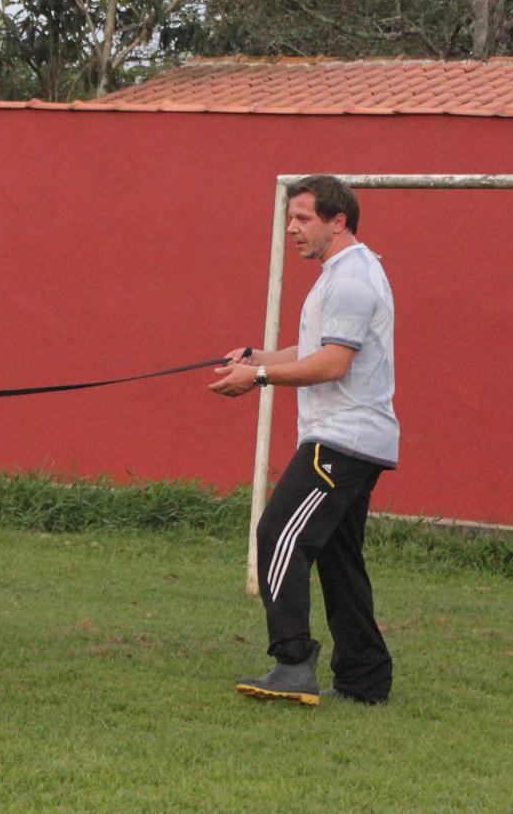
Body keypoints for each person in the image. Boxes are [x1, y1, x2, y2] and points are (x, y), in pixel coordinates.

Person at [208, 174, 398, 706]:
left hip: (341, 439)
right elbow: (318, 347)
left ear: (339, 221)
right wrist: (258, 359)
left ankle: (293, 663)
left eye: (303, 218)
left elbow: (335, 363)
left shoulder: (351, 278)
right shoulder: (343, 273)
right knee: (339, 559)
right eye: (289, 218)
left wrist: (259, 381)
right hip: (355, 439)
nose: (291, 228)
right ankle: (365, 681)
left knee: (277, 535)